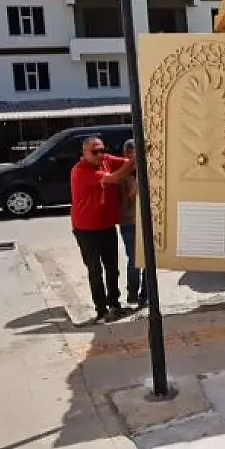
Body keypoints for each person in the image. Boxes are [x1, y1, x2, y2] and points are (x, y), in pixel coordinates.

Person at [71, 135, 135, 324]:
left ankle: (114, 303)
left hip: (106, 224)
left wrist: (135, 159)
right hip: (86, 228)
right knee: (95, 270)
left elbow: (127, 164)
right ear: (84, 153)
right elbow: (115, 177)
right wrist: (134, 159)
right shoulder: (81, 171)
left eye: (101, 150)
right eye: (94, 152)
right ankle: (101, 310)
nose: (100, 154)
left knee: (112, 267)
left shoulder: (106, 160)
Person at [118, 139, 145, 308]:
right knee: (135, 260)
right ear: (126, 154)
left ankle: (146, 297)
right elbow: (121, 202)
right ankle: (133, 294)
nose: (134, 156)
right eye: (131, 153)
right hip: (130, 223)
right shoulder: (122, 175)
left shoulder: (147, 171)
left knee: (150, 262)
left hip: (147, 223)